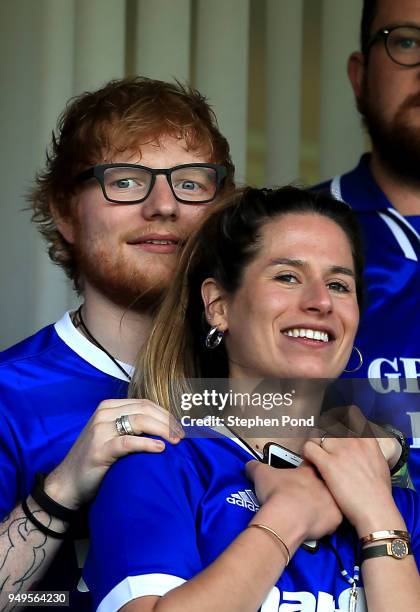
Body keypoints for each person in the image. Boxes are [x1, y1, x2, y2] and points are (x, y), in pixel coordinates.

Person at [85, 187, 420, 612]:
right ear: (219, 306)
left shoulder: (389, 493)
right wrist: (288, 517)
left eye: (338, 284)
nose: (320, 302)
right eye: (287, 276)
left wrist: (378, 517)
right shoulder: (161, 465)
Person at [0, 77, 234, 609]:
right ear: (65, 211)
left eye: (192, 182)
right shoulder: (9, 394)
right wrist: (62, 489)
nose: (164, 205)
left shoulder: (262, 378)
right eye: (126, 181)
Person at [316, 0, 420, 490]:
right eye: (406, 41)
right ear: (360, 77)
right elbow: (212, 408)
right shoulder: (281, 237)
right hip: (337, 559)